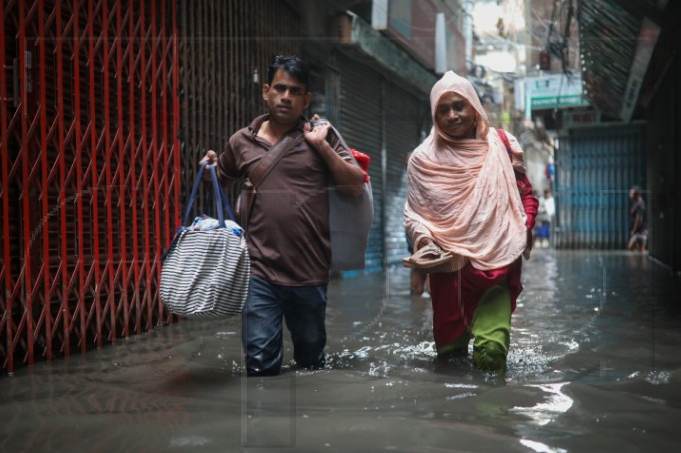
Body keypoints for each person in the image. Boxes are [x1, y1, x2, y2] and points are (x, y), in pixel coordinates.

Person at [205, 55, 365, 376]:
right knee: (260, 368)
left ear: (306, 98)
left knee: (311, 364)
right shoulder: (242, 142)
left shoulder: (323, 135)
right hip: (259, 272)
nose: (286, 97)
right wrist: (210, 171)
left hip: (310, 273)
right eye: (280, 88)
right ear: (266, 91)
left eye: (295, 91)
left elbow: (354, 185)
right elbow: (219, 180)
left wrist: (322, 147)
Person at [404, 70, 539, 371]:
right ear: (434, 115)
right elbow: (415, 214)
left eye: (459, 106)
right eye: (443, 109)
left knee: (491, 356)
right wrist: (424, 241)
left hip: (497, 267)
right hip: (448, 272)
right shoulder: (422, 161)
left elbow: (526, 196)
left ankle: (492, 416)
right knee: (450, 360)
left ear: (474, 107)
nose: (452, 115)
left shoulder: (501, 147)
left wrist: (519, 229)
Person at [627, 186, 648, 252]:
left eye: (631, 193)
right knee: (635, 249)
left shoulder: (640, 204)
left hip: (641, 230)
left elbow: (639, 219)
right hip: (638, 230)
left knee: (635, 248)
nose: (630, 195)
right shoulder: (635, 203)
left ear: (637, 194)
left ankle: (640, 261)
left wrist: (634, 230)